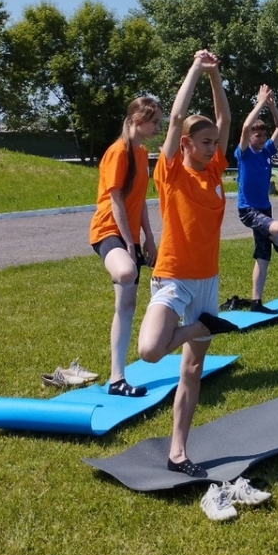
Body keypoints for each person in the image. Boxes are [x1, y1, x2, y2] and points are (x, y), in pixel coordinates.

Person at [137, 50, 238, 477]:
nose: (213, 147)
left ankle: (178, 451)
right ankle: (200, 326)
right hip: (174, 278)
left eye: (215, 142)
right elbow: (176, 117)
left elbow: (226, 119)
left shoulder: (214, 170)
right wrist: (196, 70)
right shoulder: (172, 173)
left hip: (208, 282)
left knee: (192, 370)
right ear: (184, 145)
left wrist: (216, 78)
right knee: (150, 350)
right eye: (205, 141)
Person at [88, 95, 163, 397]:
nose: (159, 126)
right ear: (136, 120)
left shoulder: (142, 153)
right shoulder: (117, 152)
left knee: (127, 306)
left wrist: (148, 237)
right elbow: (116, 201)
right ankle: (117, 378)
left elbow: (140, 200)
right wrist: (128, 246)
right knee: (125, 271)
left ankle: (116, 378)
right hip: (107, 230)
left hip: (130, 234)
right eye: (154, 120)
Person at [235, 84, 278, 312]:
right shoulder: (244, 153)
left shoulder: (267, 150)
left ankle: (256, 302)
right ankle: (276, 239)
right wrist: (259, 103)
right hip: (248, 210)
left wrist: (271, 105)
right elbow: (246, 125)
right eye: (258, 135)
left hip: (264, 209)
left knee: (263, 256)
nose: (262, 137)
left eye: (263, 135)